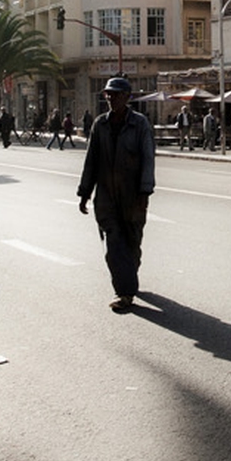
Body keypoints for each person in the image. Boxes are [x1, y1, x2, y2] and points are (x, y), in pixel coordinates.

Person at [78, 76, 156, 312]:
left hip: (133, 197)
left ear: (127, 97)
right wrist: (84, 192)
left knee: (132, 242)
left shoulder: (140, 124)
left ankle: (128, 276)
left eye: (117, 95)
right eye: (108, 95)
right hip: (106, 198)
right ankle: (124, 293)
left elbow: (148, 159)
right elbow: (91, 161)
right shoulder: (99, 125)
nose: (111, 99)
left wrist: (145, 192)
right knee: (114, 245)